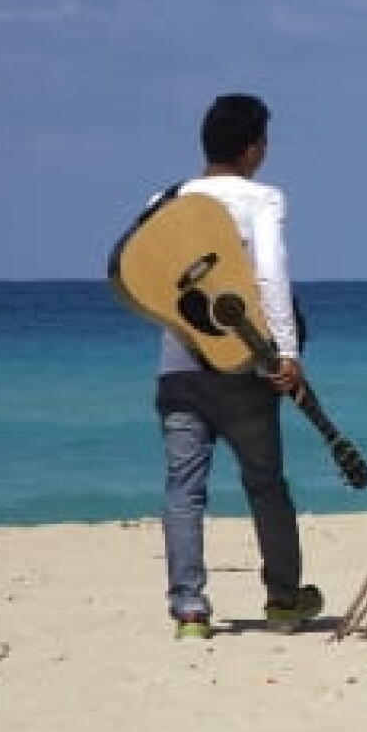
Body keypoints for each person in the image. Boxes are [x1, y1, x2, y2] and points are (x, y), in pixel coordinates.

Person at [153, 93, 323, 639]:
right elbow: (271, 276)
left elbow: (146, 284)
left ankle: (189, 609)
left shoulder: (166, 199)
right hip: (244, 366)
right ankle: (282, 600)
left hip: (177, 364)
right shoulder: (261, 199)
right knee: (265, 483)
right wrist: (287, 353)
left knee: (184, 488)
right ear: (253, 149)